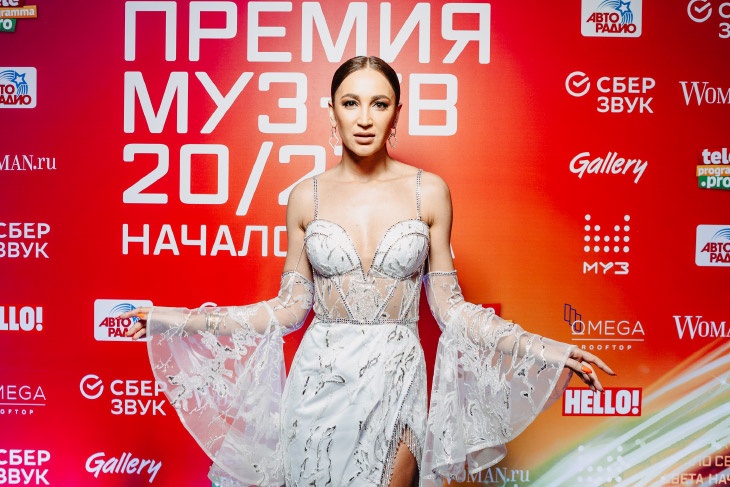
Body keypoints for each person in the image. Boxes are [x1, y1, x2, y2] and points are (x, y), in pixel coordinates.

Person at [122, 56, 614, 487]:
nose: (364, 118)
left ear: (396, 113)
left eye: (379, 104)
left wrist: (543, 349)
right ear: (331, 112)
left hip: (396, 377)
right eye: (350, 103)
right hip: (317, 384)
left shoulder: (429, 191)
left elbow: (451, 310)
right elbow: (288, 310)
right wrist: (180, 320)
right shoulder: (306, 196)